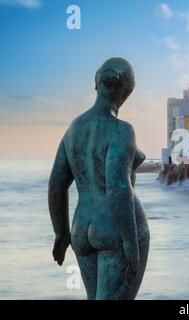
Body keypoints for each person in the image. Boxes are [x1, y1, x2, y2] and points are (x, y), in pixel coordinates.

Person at [48, 58, 150, 300]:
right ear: (127, 91)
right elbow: (118, 186)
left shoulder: (74, 129)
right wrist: (130, 240)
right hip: (115, 227)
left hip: (81, 228)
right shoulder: (122, 130)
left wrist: (61, 233)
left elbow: (56, 186)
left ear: (97, 83)